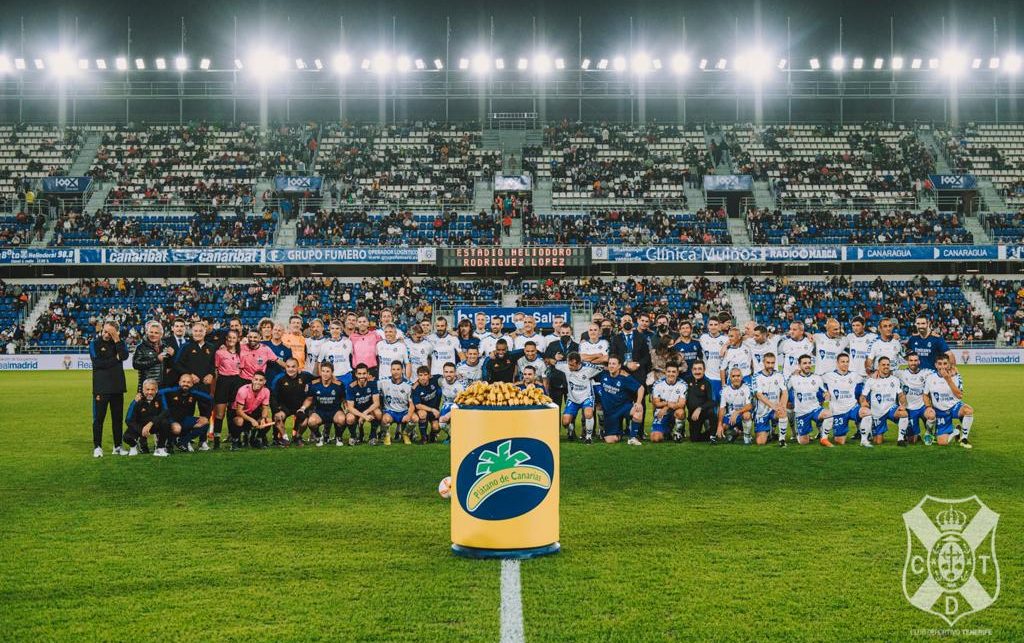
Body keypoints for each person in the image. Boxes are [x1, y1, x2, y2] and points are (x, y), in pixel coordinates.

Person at [90, 321, 130, 458]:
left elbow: (124, 356)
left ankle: (117, 446)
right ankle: (97, 447)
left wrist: (117, 339)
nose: (106, 334)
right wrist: (115, 359)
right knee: (99, 419)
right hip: (101, 388)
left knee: (117, 419)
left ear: (116, 332)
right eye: (105, 331)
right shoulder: (94, 344)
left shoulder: (120, 343)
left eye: (110, 332)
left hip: (117, 387)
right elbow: (98, 363)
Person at [924, 355, 974, 448]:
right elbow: (925, 395)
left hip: (954, 406)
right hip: (940, 411)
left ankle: (964, 438)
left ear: (949, 365)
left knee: (968, 410)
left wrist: (948, 379)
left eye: (945, 363)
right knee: (942, 443)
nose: (942, 366)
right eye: (939, 364)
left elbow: (959, 395)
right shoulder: (930, 378)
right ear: (935, 365)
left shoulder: (956, 376)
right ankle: (956, 431)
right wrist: (928, 407)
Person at [821, 353, 869, 446]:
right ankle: (829, 435)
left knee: (867, 412)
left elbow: (868, 380)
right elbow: (815, 381)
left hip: (852, 408)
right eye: (842, 362)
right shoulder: (828, 376)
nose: (845, 364)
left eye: (847, 362)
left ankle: (864, 439)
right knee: (840, 441)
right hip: (838, 411)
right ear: (837, 363)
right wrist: (824, 393)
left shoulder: (855, 376)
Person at [858, 356, 908, 447]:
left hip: (890, 409)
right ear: (878, 366)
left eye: (888, 365)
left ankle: (901, 439)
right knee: (878, 441)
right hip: (877, 413)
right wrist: (863, 403)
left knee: (903, 413)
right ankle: (870, 433)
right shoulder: (871, 381)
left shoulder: (895, 380)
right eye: (883, 365)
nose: (886, 367)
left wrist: (903, 404)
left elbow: (900, 394)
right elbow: (863, 396)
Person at [596, 355, 645, 445]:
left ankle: (633, 437)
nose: (611, 366)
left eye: (614, 364)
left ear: (619, 366)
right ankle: (619, 434)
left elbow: (641, 388)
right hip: (610, 413)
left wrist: (638, 403)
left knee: (638, 410)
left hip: (623, 407)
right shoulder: (603, 374)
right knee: (610, 440)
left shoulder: (624, 377)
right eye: (610, 363)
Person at [158, 372, 213, 452]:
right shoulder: (171, 391)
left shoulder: (194, 392)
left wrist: (206, 417)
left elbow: (210, 399)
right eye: (183, 382)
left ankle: (182, 441)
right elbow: (158, 392)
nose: (186, 384)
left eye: (188, 382)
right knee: (176, 428)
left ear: (192, 384)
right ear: (179, 382)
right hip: (171, 421)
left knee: (205, 424)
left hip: (184, 420)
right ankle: (169, 442)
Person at [554, 352, 603, 442]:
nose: (570, 367)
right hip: (572, 399)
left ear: (579, 363)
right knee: (565, 422)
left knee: (588, 414)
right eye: (569, 364)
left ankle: (588, 437)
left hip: (586, 397)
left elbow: (602, 368)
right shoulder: (565, 366)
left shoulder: (589, 368)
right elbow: (555, 363)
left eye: (572, 365)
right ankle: (570, 430)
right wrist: (556, 358)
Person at [789, 355, 833, 447]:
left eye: (809, 363)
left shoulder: (816, 378)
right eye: (804, 363)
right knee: (804, 442)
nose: (808, 365)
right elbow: (784, 391)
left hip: (814, 409)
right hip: (801, 413)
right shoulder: (793, 378)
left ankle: (824, 438)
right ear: (799, 365)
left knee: (828, 414)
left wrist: (826, 394)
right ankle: (800, 433)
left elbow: (825, 392)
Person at [270, 358, 314, 446]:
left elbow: (317, 379)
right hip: (284, 407)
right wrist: (276, 410)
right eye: (288, 366)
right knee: (278, 417)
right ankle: (282, 438)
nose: (290, 369)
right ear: (285, 367)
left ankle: (297, 437)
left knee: (305, 421)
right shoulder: (279, 378)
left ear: (298, 367)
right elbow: (273, 396)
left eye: (293, 367)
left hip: (299, 407)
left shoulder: (305, 376)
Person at [212, 330, 244, 448]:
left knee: (233, 411)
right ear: (226, 339)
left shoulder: (241, 353)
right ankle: (216, 440)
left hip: (236, 382)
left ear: (237, 339)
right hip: (223, 382)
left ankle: (234, 437)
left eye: (234, 337)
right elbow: (215, 369)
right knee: (220, 413)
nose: (231, 340)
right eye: (229, 337)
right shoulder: (220, 352)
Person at [303, 362, 347, 448]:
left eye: (328, 371)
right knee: (311, 421)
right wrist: (303, 407)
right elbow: (309, 399)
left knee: (342, 419)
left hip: (335, 412)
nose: (325, 374)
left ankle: (338, 437)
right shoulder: (314, 384)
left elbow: (343, 399)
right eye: (323, 371)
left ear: (332, 372)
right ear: (320, 372)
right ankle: (319, 437)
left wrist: (346, 409)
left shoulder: (339, 385)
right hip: (320, 412)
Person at [122, 379, 168, 457]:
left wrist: (151, 423)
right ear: (143, 390)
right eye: (147, 389)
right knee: (126, 437)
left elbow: (165, 412)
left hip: (154, 425)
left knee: (165, 423)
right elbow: (129, 420)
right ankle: (133, 446)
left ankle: (160, 448)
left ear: (156, 390)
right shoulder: (137, 400)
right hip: (140, 426)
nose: (150, 392)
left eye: (152, 389)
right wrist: (141, 430)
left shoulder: (160, 397)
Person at [230, 372, 274, 450]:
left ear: (264, 382)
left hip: (252, 412)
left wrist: (263, 418)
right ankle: (235, 442)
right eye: (256, 379)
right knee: (239, 421)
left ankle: (257, 440)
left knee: (268, 420)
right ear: (252, 380)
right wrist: (252, 420)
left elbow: (265, 408)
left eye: (261, 380)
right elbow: (239, 411)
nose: (258, 382)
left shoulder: (266, 391)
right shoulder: (243, 390)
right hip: (239, 413)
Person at [752, 353, 788, 446]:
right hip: (761, 412)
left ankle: (782, 440)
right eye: (768, 363)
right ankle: (769, 431)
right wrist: (773, 406)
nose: (770, 365)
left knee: (783, 412)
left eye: (773, 363)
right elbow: (759, 395)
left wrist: (782, 405)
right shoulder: (757, 377)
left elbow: (784, 391)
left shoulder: (779, 375)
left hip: (774, 411)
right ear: (763, 362)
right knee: (760, 442)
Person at [896, 353, 932, 445]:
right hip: (910, 409)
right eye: (911, 360)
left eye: (915, 360)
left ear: (919, 361)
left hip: (922, 406)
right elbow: (887, 371)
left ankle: (929, 433)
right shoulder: (901, 373)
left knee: (931, 415)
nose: (913, 363)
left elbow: (940, 372)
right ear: (907, 362)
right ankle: (917, 434)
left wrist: (952, 369)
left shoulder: (926, 373)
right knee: (912, 441)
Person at [378, 360, 416, 445]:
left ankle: (405, 434)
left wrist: (409, 416)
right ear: (390, 371)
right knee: (385, 419)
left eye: (398, 369)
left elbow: (412, 404)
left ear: (402, 370)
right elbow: (372, 385)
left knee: (414, 418)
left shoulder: (409, 385)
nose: (395, 372)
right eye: (393, 369)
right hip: (390, 412)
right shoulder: (383, 382)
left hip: (404, 412)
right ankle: (387, 435)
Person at [650, 362, 688, 442]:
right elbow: (656, 403)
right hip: (661, 413)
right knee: (655, 438)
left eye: (674, 372)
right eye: (669, 371)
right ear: (665, 372)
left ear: (677, 373)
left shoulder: (683, 385)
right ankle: (667, 433)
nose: (671, 374)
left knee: (680, 412)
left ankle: (678, 434)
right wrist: (668, 404)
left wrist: (666, 407)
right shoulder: (657, 384)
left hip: (674, 412)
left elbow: (681, 404)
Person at [345, 364, 382, 445]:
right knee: (349, 419)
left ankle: (373, 436)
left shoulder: (372, 383)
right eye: (359, 374)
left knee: (378, 413)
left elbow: (376, 403)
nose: (362, 376)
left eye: (364, 373)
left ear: (368, 374)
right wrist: (363, 416)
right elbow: (350, 407)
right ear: (356, 374)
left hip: (368, 409)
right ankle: (354, 436)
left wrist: (365, 413)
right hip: (356, 411)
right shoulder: (351, 386)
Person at [716, 368, 753, 445]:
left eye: (738, 376)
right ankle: (736, 431)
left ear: (741, 377)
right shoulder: (725, 390)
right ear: (730, 377)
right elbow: (722, 408)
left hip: (742, 414)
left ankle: (747, 437)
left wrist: (737, 412)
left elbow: (749, 406)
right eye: (733, 376)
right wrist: (719, 425)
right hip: (731, 416)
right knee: (723, 428)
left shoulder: (746, 387)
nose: (736, 378)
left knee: (747, 415)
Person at [132, 321, 172, 392]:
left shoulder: (165, 347)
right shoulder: (140, 347)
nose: (153, 335)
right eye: (151, 332)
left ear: (161, 335)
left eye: (156, 333)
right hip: (147, 387)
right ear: (147, 332)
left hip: (163, 387)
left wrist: (172, 355)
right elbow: (136, 364)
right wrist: (156, 359)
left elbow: (169, 366)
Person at [684, 361, 716, 442]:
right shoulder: (686, 381)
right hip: (693, 415)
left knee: (712, 413)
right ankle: (707, 435)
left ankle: (712, 436)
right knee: (694, 439)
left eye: (699, 369)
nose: (697, 371)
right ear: (691, 370)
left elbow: (713, 401)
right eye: (695, 369)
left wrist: (700, 408)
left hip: (704, 412)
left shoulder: (708, 382)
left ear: (704, 370)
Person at [698, 317, 727, 400]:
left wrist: (726, 345)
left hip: (721, 377)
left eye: (715, 324)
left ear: (719, 326)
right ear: (708, 326)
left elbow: (739, 338)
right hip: (708, 376)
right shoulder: (703, 338)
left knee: (721, 402)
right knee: (709, 402)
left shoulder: (725, 339)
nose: (713, 327)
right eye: (711, 325)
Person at [411, 365, 443, 443]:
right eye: (420, 375)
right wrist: (432, 410)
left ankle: (432, 435)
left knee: (436, 427)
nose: (423, 377)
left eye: (425, 375)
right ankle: (424, 437)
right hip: (423, 410)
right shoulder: (415, 387)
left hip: (434, 410)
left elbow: (446, 376)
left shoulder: (435, 379)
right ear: (417, 376)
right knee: (422, 414)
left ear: (429, 375)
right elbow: (418, 405)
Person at [317, 321, 354, 386]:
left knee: (347, 395)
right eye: (332, 328)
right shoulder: (325, 345)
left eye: (337, 328)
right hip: (332, 376)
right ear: (330, 330)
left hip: (346, 375)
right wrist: (322, 375)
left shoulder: (348, 342)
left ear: (341, 330)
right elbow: (319, 361)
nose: (335, 330)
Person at [437, 362, 467, 438]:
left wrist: (449, 414)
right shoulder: (441, 381)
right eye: (446, 372)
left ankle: (458, 437)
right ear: (443, 373)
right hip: (447, 405)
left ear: (455, 373)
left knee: (457, 422)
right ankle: (452, 437)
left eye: (451, 372)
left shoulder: (460, 385)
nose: (448, 374)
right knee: (441, 423)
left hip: (460, 407)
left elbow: (463, 403)